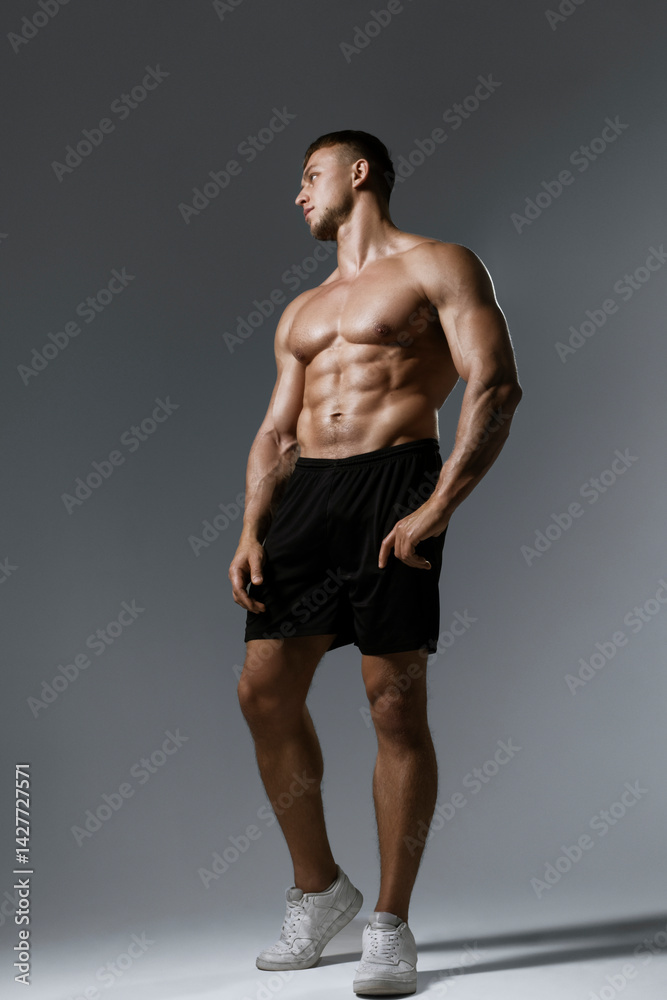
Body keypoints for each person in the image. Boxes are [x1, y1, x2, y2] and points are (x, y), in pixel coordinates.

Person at [229, 129, 523, 995]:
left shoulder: (439, 265)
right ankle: (320, 890)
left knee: (392, 707)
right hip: (306, 498)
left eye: (309, 176)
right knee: (262, 692)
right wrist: (250, 528)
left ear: (358, 173)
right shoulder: (302, 310)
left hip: (395, 481)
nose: (298, 194)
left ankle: (389, 924)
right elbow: (276, 430)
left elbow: (494, 384)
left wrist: (437, 506)